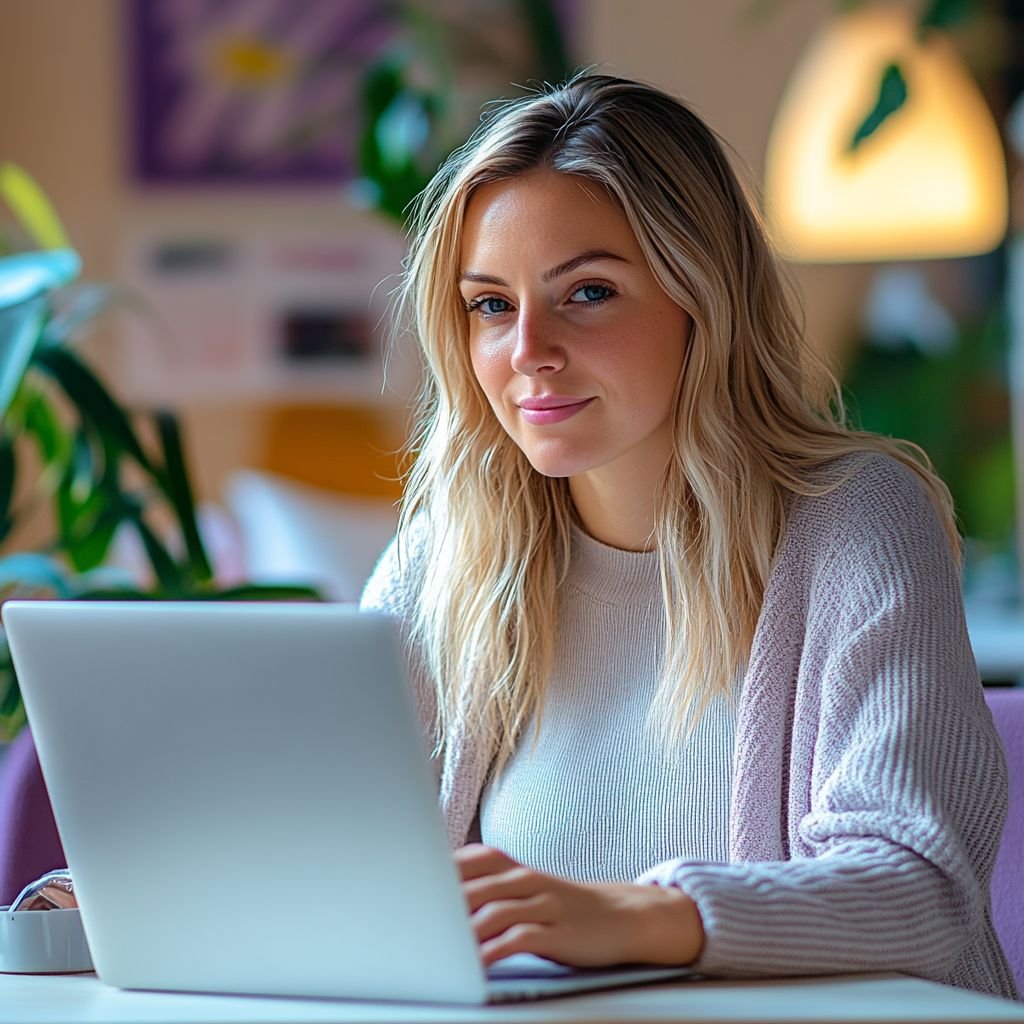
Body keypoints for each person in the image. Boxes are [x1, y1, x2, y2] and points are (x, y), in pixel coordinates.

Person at [360, 72, 1019, 1001]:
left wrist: (629, 917)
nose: (528, 351)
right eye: (491, 305)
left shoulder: (854, 520)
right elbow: (347, 858)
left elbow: (919, 891)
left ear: (700, 301)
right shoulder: (449, 553)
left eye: (587, 292)